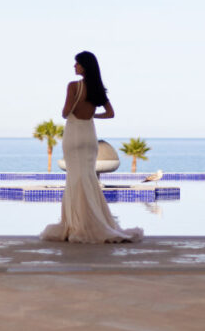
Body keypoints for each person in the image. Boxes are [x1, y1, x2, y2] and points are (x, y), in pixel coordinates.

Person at [40, 51, 143, 244]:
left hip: (74, 134)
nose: (74, 67)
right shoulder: (97, 89)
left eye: (77, 64)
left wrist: (73, 107)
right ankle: (93, 220)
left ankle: (77, 224)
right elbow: (110, 113)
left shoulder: (73, 86)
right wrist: (93, 115)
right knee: (87, 177)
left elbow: (65, 112)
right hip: (89, 134)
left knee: (74, 178)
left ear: (84, 66)